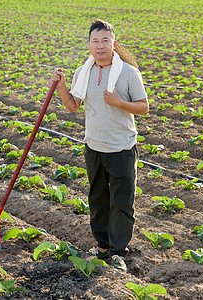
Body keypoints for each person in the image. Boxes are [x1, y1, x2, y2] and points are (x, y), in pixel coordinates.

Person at [51, 19, 148, 271]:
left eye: (105, 40)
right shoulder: (84, 72)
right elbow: (73, 105)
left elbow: (144, 107)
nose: (100, 46)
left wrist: (119, 102)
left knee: (122, 201)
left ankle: (118, 251)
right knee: (97, 198)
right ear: (89, 45)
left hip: (121, 148)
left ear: (113, 44)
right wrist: (62, 87)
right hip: (93, 147)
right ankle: (102, 246)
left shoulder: (128, 73)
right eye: (95, 41)